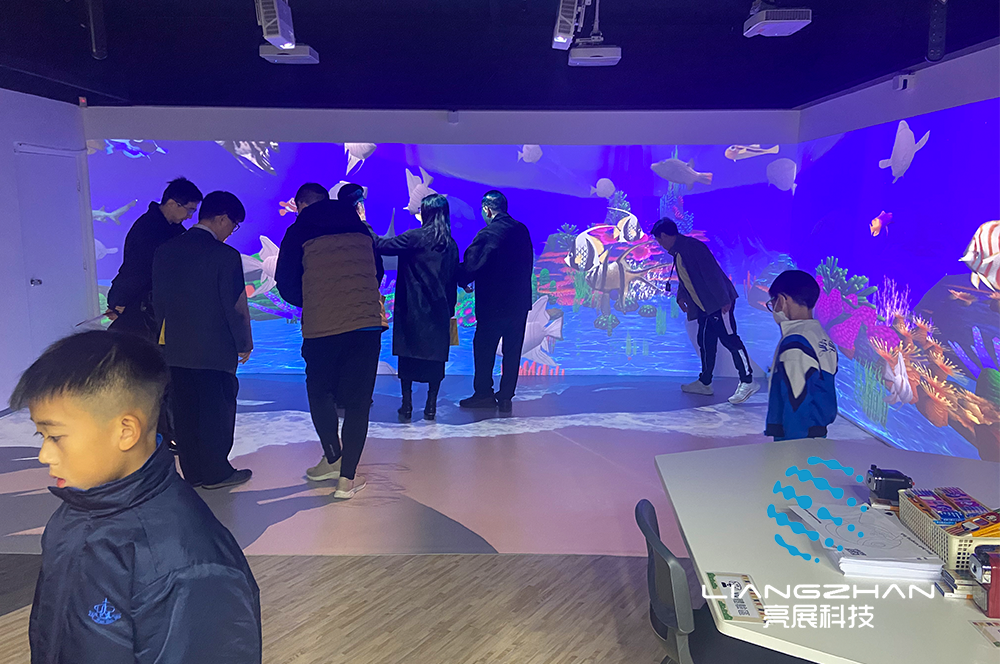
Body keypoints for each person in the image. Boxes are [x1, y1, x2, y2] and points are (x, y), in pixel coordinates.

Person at [9, 330, 261, 663]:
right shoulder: (75, 513)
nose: (44, 455)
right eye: (40, 435)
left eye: (55, 436)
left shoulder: (189, 568)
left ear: (126, 431)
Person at [275, 187, 386, 499]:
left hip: (321, 325)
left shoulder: (298, 230)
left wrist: (313, 300)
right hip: (365, 324)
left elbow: (286, 282)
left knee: (320, 391)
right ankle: (346, 480)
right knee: (358, 402)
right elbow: (376, 272)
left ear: (301, 205)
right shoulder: (361, 229)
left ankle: (333, 456)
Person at [152, 191, 254, 490]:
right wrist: (244, 343)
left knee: (184, 411)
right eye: (233, 225)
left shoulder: (165, 250)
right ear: (222, 219)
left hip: (176, 348)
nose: (230, 232)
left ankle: (193, 473)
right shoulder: (225, 256)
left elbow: (159, 302)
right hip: (214, 349)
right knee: (216, 411)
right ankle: (216, 473)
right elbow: (234, 306)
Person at [651, 218, 758, 405]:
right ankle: (705, 382)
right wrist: (681, 297)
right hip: (705, 306)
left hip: (718, 303)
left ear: (666, 235)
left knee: (730, 339)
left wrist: (723, 300)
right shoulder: (680, 251)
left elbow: (712, 274)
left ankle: (748, 380)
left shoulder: (692, 247)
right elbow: (687, 277)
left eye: (659, 239)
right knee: (706, 342)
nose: (659, 244)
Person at [376, 194, 459, 421]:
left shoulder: (414, 237)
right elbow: (453, 280)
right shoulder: (450, 244)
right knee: (436, 360)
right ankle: (431, 407)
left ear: (427, 212)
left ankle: (407, 405)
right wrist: (451, 311)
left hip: (411, 310)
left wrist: (364, 225)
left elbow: (382, 245)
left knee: (408, 357)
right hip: (440, 312)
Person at [457, 190, 534, 414]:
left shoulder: (488, 234)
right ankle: (506, 397)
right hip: (519, 303)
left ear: (487, 210)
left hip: (493, 305)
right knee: (512, 352)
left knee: (484, 349)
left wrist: (461, 279)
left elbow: (471, 265)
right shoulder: (522, 230)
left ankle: (484, 394)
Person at [106, 177, 203, 340]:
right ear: (172, 203)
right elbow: (136, 269)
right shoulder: (149, 229)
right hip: (143, 306)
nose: (190, 217)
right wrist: (118, 300)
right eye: (190, 210)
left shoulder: (173, 229)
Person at [764, 270, 839, 441]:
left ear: (782, 300)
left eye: (773, 302)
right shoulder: (821, 336)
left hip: (797, 438)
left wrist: (793, 446)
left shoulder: (795, 341)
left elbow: (796, 400)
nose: (773, 308)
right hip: (817, 434)